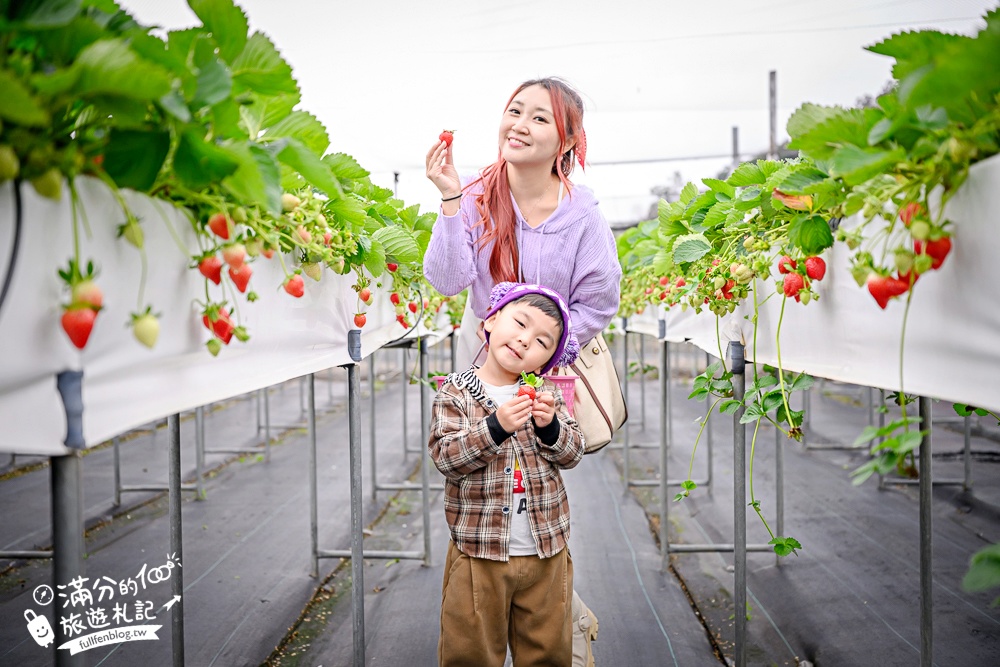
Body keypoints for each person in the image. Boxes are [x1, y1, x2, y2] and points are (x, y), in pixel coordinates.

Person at [425, 76, 615, 666]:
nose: (520, 125)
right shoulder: (480, 194)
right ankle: (504, 604)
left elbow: (599, 298)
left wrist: (545, 352)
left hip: (552, 358)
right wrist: (451, 199)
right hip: (487, 356)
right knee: (484, 471)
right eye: (515, 111)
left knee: (544, 468)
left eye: (539, 118)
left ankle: (553, 611)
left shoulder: (581, 211)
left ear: (566, 140)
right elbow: (448, 280)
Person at [429, 282, 585, 666]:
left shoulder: (544, 395)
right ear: (491, 319)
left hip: (545, 550)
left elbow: (574, 451)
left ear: (544, 362)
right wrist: (495, 427)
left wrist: (551, 428)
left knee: (548, 651)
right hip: (479, 552)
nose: (524, 340)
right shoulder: (457, 393)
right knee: (471, 651)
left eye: (542, 342)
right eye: (519, 323)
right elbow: (445, 457)